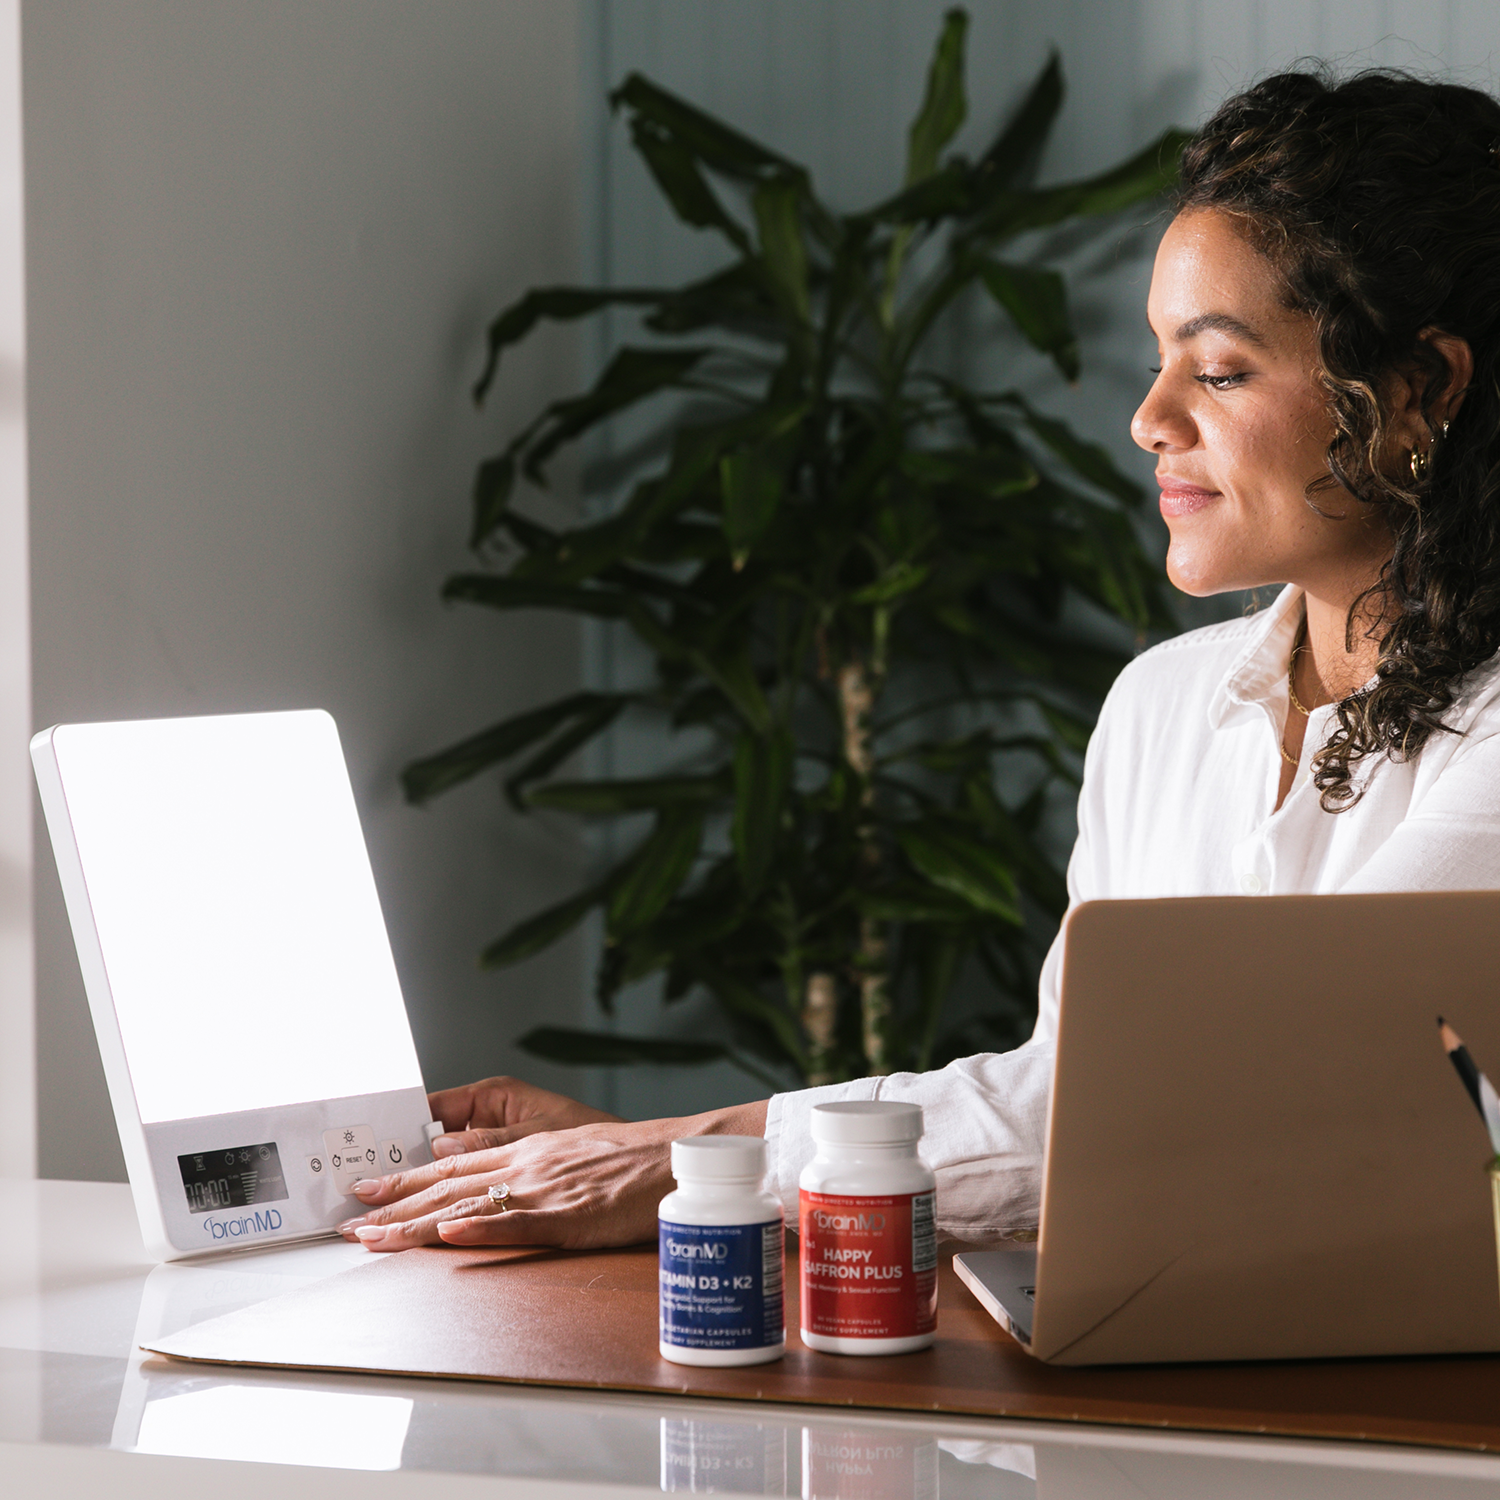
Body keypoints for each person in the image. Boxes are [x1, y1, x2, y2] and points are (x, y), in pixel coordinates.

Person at [339, 68, 1500, 1255]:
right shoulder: (1163, 706)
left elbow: (1230, 1102)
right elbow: (1071, 1096)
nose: (1149, 417)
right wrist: (685, 1160)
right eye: (1156, 360)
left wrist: (683, 1163)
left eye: (1217, 368)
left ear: (1420, 390)